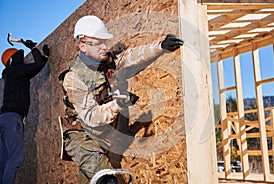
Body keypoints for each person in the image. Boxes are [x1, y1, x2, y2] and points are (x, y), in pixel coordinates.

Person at [59, 15, 184, 183]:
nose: (104, 47)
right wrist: (118, 104)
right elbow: (91, 116)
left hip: (101, 136)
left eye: (105, 42)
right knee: (106, 180)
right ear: (83, 46)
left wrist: (160, 46)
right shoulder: (74, 78)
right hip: (81, 137)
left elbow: (130, 57)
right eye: (98, 43)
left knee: (90, 180)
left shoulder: (105, 60)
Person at [0, 40, 50, 184]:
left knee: (3, 162)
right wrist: (32, 47)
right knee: (15, 159)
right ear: (14, 60)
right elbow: (38, 65)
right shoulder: (16, 71)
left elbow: (38, 64)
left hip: (4, 119)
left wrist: (44, 57)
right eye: (21, 57)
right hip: (12, 120)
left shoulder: (11, 74)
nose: (25, 59)